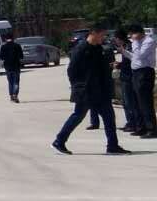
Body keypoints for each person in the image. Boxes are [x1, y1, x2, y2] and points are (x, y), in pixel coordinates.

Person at [53, 24, 128, 155]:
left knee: (109, 117)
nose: (103, 38)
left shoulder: (98, 48)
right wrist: (78, 86)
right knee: (78, 116)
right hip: (86, 90)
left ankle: (112, 146)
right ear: (94, 33)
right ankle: (59, 141)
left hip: (100, 90)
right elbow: (71, 70)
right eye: (102, 35)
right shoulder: (81, 49)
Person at [119, 24, 156, 138]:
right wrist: (124, 52)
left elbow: (140, 55)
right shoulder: (137, 42)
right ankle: (142, 127)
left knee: (145, 102)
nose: (130, 36)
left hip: (145, 73)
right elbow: (134, 57)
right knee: (137, 101)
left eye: (132, 34)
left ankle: (152, 129)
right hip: (135, 73)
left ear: (138, 33)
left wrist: (135, 42)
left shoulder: (148, 41)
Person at [116, 31, 139, 133]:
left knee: (129, 102)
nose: (115, 41)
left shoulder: (128, 47)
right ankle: (130, 122)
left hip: (128, 77)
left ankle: (133, 123)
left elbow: (131, 61)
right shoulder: (125, 46)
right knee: (125, 102)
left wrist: (119, 65)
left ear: (119, 38)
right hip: (125, 76)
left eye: (116, 39)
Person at [0, 34, 24, 102]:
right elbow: (21, 56)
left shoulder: (3, 47)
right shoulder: (17, 46)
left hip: (8, 67)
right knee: (16, 82)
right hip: (16, 66)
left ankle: (11, 96)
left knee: (10, 82)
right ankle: (15, 95)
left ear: (5, 39)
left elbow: (1, 57)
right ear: (13, 38)